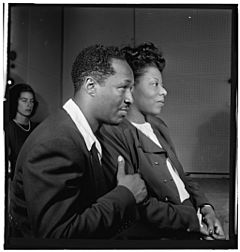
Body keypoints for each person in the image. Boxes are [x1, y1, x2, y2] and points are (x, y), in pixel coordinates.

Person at [9, 45, 147, 239]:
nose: (130, 99)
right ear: (90, 85)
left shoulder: (82, 133)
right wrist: (125, 194)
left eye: (131, 90)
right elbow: (57, 236)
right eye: (123, 88)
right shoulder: (56, 142)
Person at [98, 42, 226, 240]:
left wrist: (206, 208)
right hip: (167, 231)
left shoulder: (158, 125)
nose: (164, 91)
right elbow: (138, 205)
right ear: (130, 87)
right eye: (155, 84)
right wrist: (194, 222)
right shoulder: (113, 133)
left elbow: (180, 176)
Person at [7, 83, 39, 180]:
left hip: (35, 180)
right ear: (15, 102)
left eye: (31, 101)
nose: (29, 105)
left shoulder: (38, 128)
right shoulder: (8, 129)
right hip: (16, 182)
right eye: (24, 100)